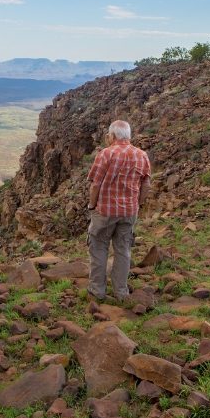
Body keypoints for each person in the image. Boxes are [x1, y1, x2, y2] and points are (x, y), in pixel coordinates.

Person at [86, 120, 151, 301]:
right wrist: (138, 204)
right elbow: (146, 184)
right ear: (128, 136)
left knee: (99, 248)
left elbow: (95, 185)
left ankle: (97, 291)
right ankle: (121, 293)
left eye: (108, 135)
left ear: (112, 136)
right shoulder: (141, 155)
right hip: (129, 211)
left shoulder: (106, 154)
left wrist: (92, 206)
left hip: (105, 211)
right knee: (123, 250)